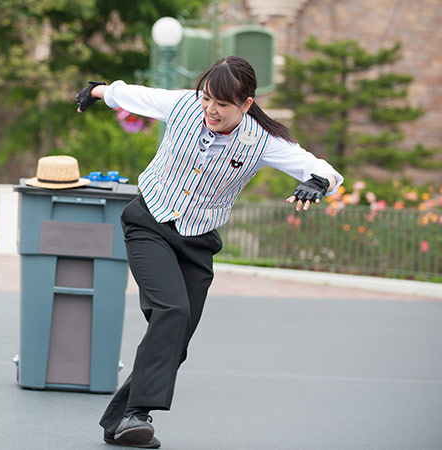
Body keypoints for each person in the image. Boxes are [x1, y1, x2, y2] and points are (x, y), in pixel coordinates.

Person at [75, 56, 343, 448]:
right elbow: (132, 96)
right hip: (149, 222)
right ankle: (138, 414)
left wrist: (319, 183)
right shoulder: (183, 105)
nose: (211, 110)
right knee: (172, 311)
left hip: (198, 241)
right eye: (207, 99)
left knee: (177, 337)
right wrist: (98, 90)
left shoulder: (262, 140)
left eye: (223, 104)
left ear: (246, 104)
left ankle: (119, 422)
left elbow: (321, 169)